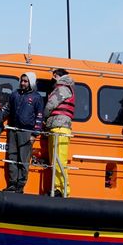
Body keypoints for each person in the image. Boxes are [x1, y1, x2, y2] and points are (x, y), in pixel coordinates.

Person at [4, 72, 44, 193]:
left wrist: (35, 133)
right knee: (12, 157)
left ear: (30, 82)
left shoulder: (37, 97)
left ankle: (20, 185)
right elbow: (7, 109)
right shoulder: (14, 94)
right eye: (22, 80)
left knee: (23, 159)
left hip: (27, 132)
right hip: (13, 129)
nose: (22, 83)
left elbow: (39, 116)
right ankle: (12, 183)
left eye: (25, 81)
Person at [43, 68, 77, 197]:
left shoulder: (63, 88)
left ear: (58, 76)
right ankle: (56, 188)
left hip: (60, 127)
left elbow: (51, 104)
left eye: (54, 76)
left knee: (60, 160)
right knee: (55, 160)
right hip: (56, 126)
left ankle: (63, 190)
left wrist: (43, 117)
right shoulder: (65, 88)